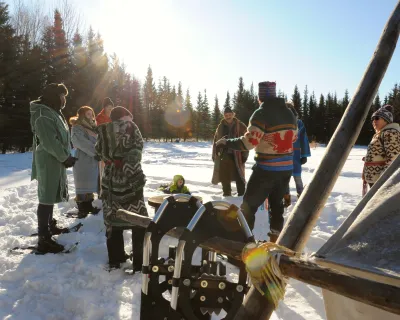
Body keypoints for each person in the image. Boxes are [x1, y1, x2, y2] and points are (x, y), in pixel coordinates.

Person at [216, 81, 297, 242]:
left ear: (260, 97)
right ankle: (275, 242)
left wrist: (227, 142)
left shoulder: (261, 114)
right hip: (286, 169)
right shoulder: (289, 114)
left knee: (248, 206)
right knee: (276, 207)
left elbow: (249, 143)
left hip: (266, 170)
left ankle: (244, 243)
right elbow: (293, 138)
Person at [95, 106, 148, 270]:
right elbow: (134, 154)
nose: (131, 120)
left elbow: (97, 152)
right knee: (139, 220)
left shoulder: (103, 130)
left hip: (109, 178)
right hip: (127, 179)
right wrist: (137, 179)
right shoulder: (130, 127)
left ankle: (115, 259)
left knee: (112, 219)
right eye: (130, 117)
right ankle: (140, 262)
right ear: (125, 116)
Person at [30, 83, 76, 253]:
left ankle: (49, 226)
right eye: (62, 95)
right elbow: (49, 140)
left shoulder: (52, 111)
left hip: (55, 159)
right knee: (46, 197)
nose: (64, 99)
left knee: (50, 195)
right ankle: (44, 239)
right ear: (54, 96)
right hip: (49, 160)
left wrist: (65, 156)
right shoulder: (43, 113)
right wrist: (65, 157)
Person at [70, 106, 101, 218]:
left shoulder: (93, 127)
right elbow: (80, 142)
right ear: (82, 115)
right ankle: (82, 208)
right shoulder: (77, 127)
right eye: (88, 114)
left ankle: (89, 206)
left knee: (91, 183)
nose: (91, 116)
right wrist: (96, 152)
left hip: (93, 159)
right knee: (83, 183)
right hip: (83, 158)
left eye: (91, 114)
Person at [362, 104, 400, 195]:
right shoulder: (381, 134)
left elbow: (394, 158)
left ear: (386, 120)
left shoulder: (390, 133)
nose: (374, 121)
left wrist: (383, 179)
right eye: (372, 118)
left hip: (380, 181)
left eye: (377, 118)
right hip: (375, 179)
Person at [212, 107, 248, 196]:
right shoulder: (220, 126)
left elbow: (247, 140)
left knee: (239, 177)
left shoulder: (241, 125)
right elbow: (215, 141)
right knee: (225, 177)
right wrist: (215, 154)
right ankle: (227, 194)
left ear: (233, 114)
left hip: (237, 155)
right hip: (224, 155)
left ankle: (241, 195)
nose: (228, 117)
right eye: (226, 115)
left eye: (229, 115)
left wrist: (245, 155)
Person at [283, 102, 311, 207]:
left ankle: (301, 199)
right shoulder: (281, 123)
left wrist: (304, 155)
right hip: (284, 154)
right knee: (285, 178)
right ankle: (286, 200)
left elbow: (303, 139)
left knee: (297, 177)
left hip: (296, 153)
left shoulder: (299, 123)